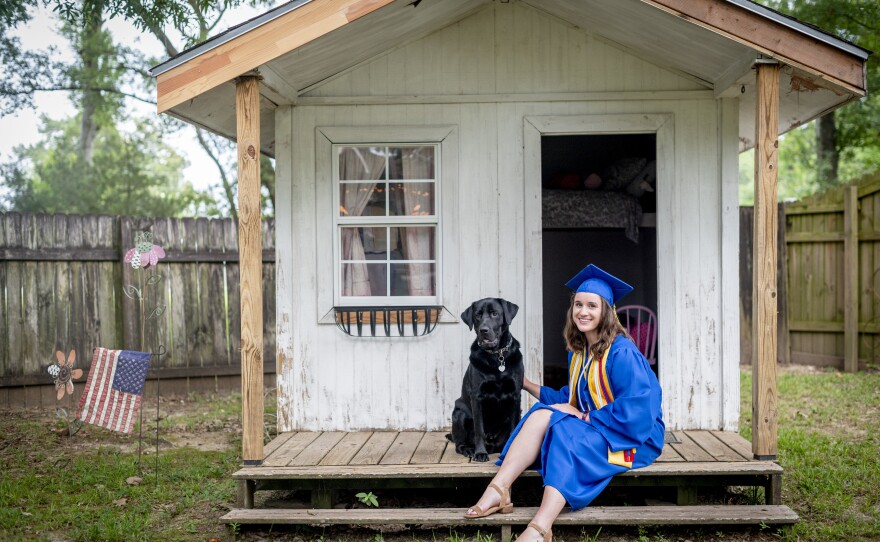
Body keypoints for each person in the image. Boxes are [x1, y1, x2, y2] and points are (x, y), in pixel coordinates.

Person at [463, 264, 665, 542]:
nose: (583, 311)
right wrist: (525, 383)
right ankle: (499, 490)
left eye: (592, 306)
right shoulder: (581, 353)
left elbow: (640, 409)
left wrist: (584, 418)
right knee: (543, 413)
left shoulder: (622, 353)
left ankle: (540, 527)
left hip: (633, 438)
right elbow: (571, 400)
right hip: (599, 427)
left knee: (564, 430)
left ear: (607, 311)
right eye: (578, 304)